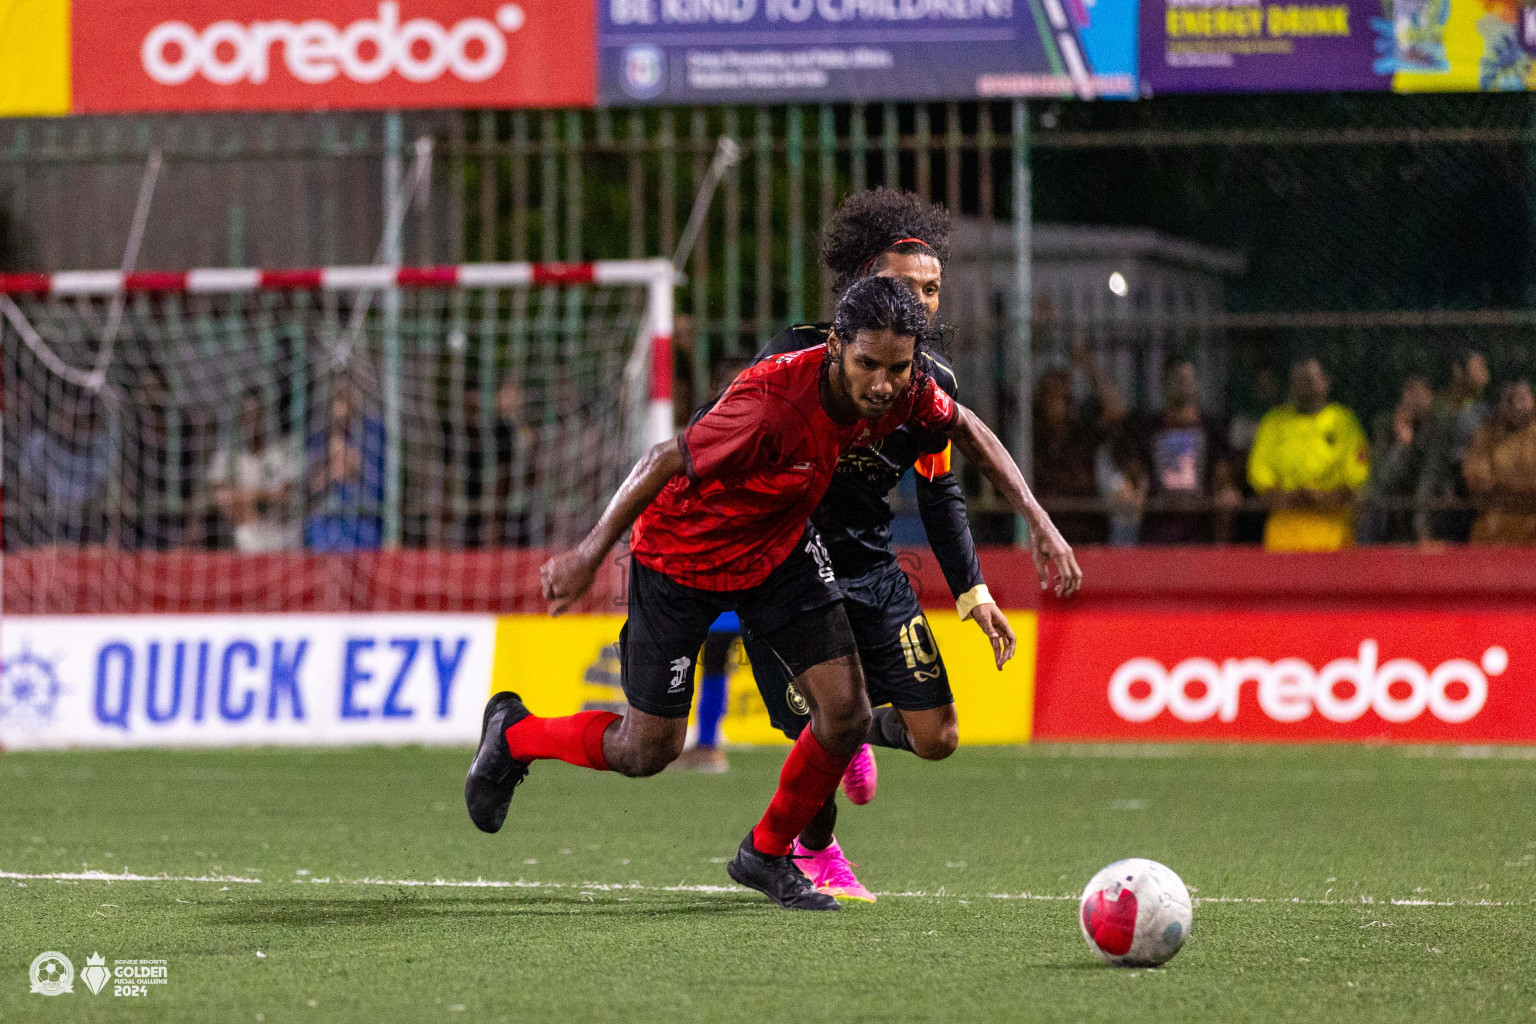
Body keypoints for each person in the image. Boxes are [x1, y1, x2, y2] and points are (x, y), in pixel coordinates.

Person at [464, 277, 1080, 912]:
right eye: (867, 364)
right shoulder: (772, 403)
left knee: (843, 711)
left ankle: (765, 852)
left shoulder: (908, 388)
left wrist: (1038, 519)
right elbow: (660, 461)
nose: (881, 384)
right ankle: (514, 734)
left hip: (777, 553)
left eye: (897, 369)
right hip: (683, 558)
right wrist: (590, 553)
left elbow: (969, 429)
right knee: (647, 750)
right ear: (837, 344)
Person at [739, 189, 1020, 901]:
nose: (923, 302)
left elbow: (939, 490)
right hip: (785, 567)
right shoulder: (795, 359)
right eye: (905, 286)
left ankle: (860, 730)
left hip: (868, 565)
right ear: (863, 287)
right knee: (818, 729)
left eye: (932, 289)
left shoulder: (931, 388)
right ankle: (815, 851)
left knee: (938, 738)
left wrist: (973, 590)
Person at [1247, 356, 1370, 552]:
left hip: (1333, 536)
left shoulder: (1344, 421)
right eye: (1298, 381)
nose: (1303, 387)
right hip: (1284, 538)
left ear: (1325, 382)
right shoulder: (1273, 422)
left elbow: (1356, 478)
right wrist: (1294, 497)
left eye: (1310, 380)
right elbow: (1259, 477)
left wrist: (1323, 499)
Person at [1120, 359, 1238, 545]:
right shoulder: (1149, 428)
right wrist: (1130, 492)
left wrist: (1226, 496)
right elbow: (1133, 476)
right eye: (1177, 378)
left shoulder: (1211, 428)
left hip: (1199, 530)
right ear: (1164, 383)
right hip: (1157, 529)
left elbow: (1223, 479)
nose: (1183, 385)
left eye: (1187, 379)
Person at [209, 390, 301, 553]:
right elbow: (220, 495)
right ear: (239, 419)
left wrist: (249, 496)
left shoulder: (283, 451)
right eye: (247, 415)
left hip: (282, 530)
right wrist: (248, 501)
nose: (252, 421)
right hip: (244, 529)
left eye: (257, 415)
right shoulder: (227, 455)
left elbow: (288, 494)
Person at [1417, 350, 1492, 542]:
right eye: (1478, 368)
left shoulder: (1484, 409)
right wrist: (1422, 524)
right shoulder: (1444, 411)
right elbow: (1432, 468)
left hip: (1478, 499)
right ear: (1459, 372)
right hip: (1449, 501)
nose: (1485, 374)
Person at [305, 382, 385, 552]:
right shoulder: (323, 443)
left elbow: (364, 476)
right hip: (330, 514)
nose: (342, 421)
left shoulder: (368, 440)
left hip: (359, 513)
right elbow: (315, 485)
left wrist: (346, 462)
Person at [1462, 380, 1536, 545]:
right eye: (1510, 399)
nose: (1517, 405)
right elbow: (1476, 479)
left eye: (1523, 398)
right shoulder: (1486, 437)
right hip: (1494, 524)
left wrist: (1508, 480)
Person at [1364, 375, 1434, 544]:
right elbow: (1381, 483)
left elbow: (1431, 477)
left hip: (1431, 518)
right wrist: (1401, 445)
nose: (1415, 398)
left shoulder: (1437, 427)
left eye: (1420, 392)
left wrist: (1422, 525)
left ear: (1430, 396)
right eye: (1410, 391)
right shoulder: (1386, 425)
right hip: (1391, 522)